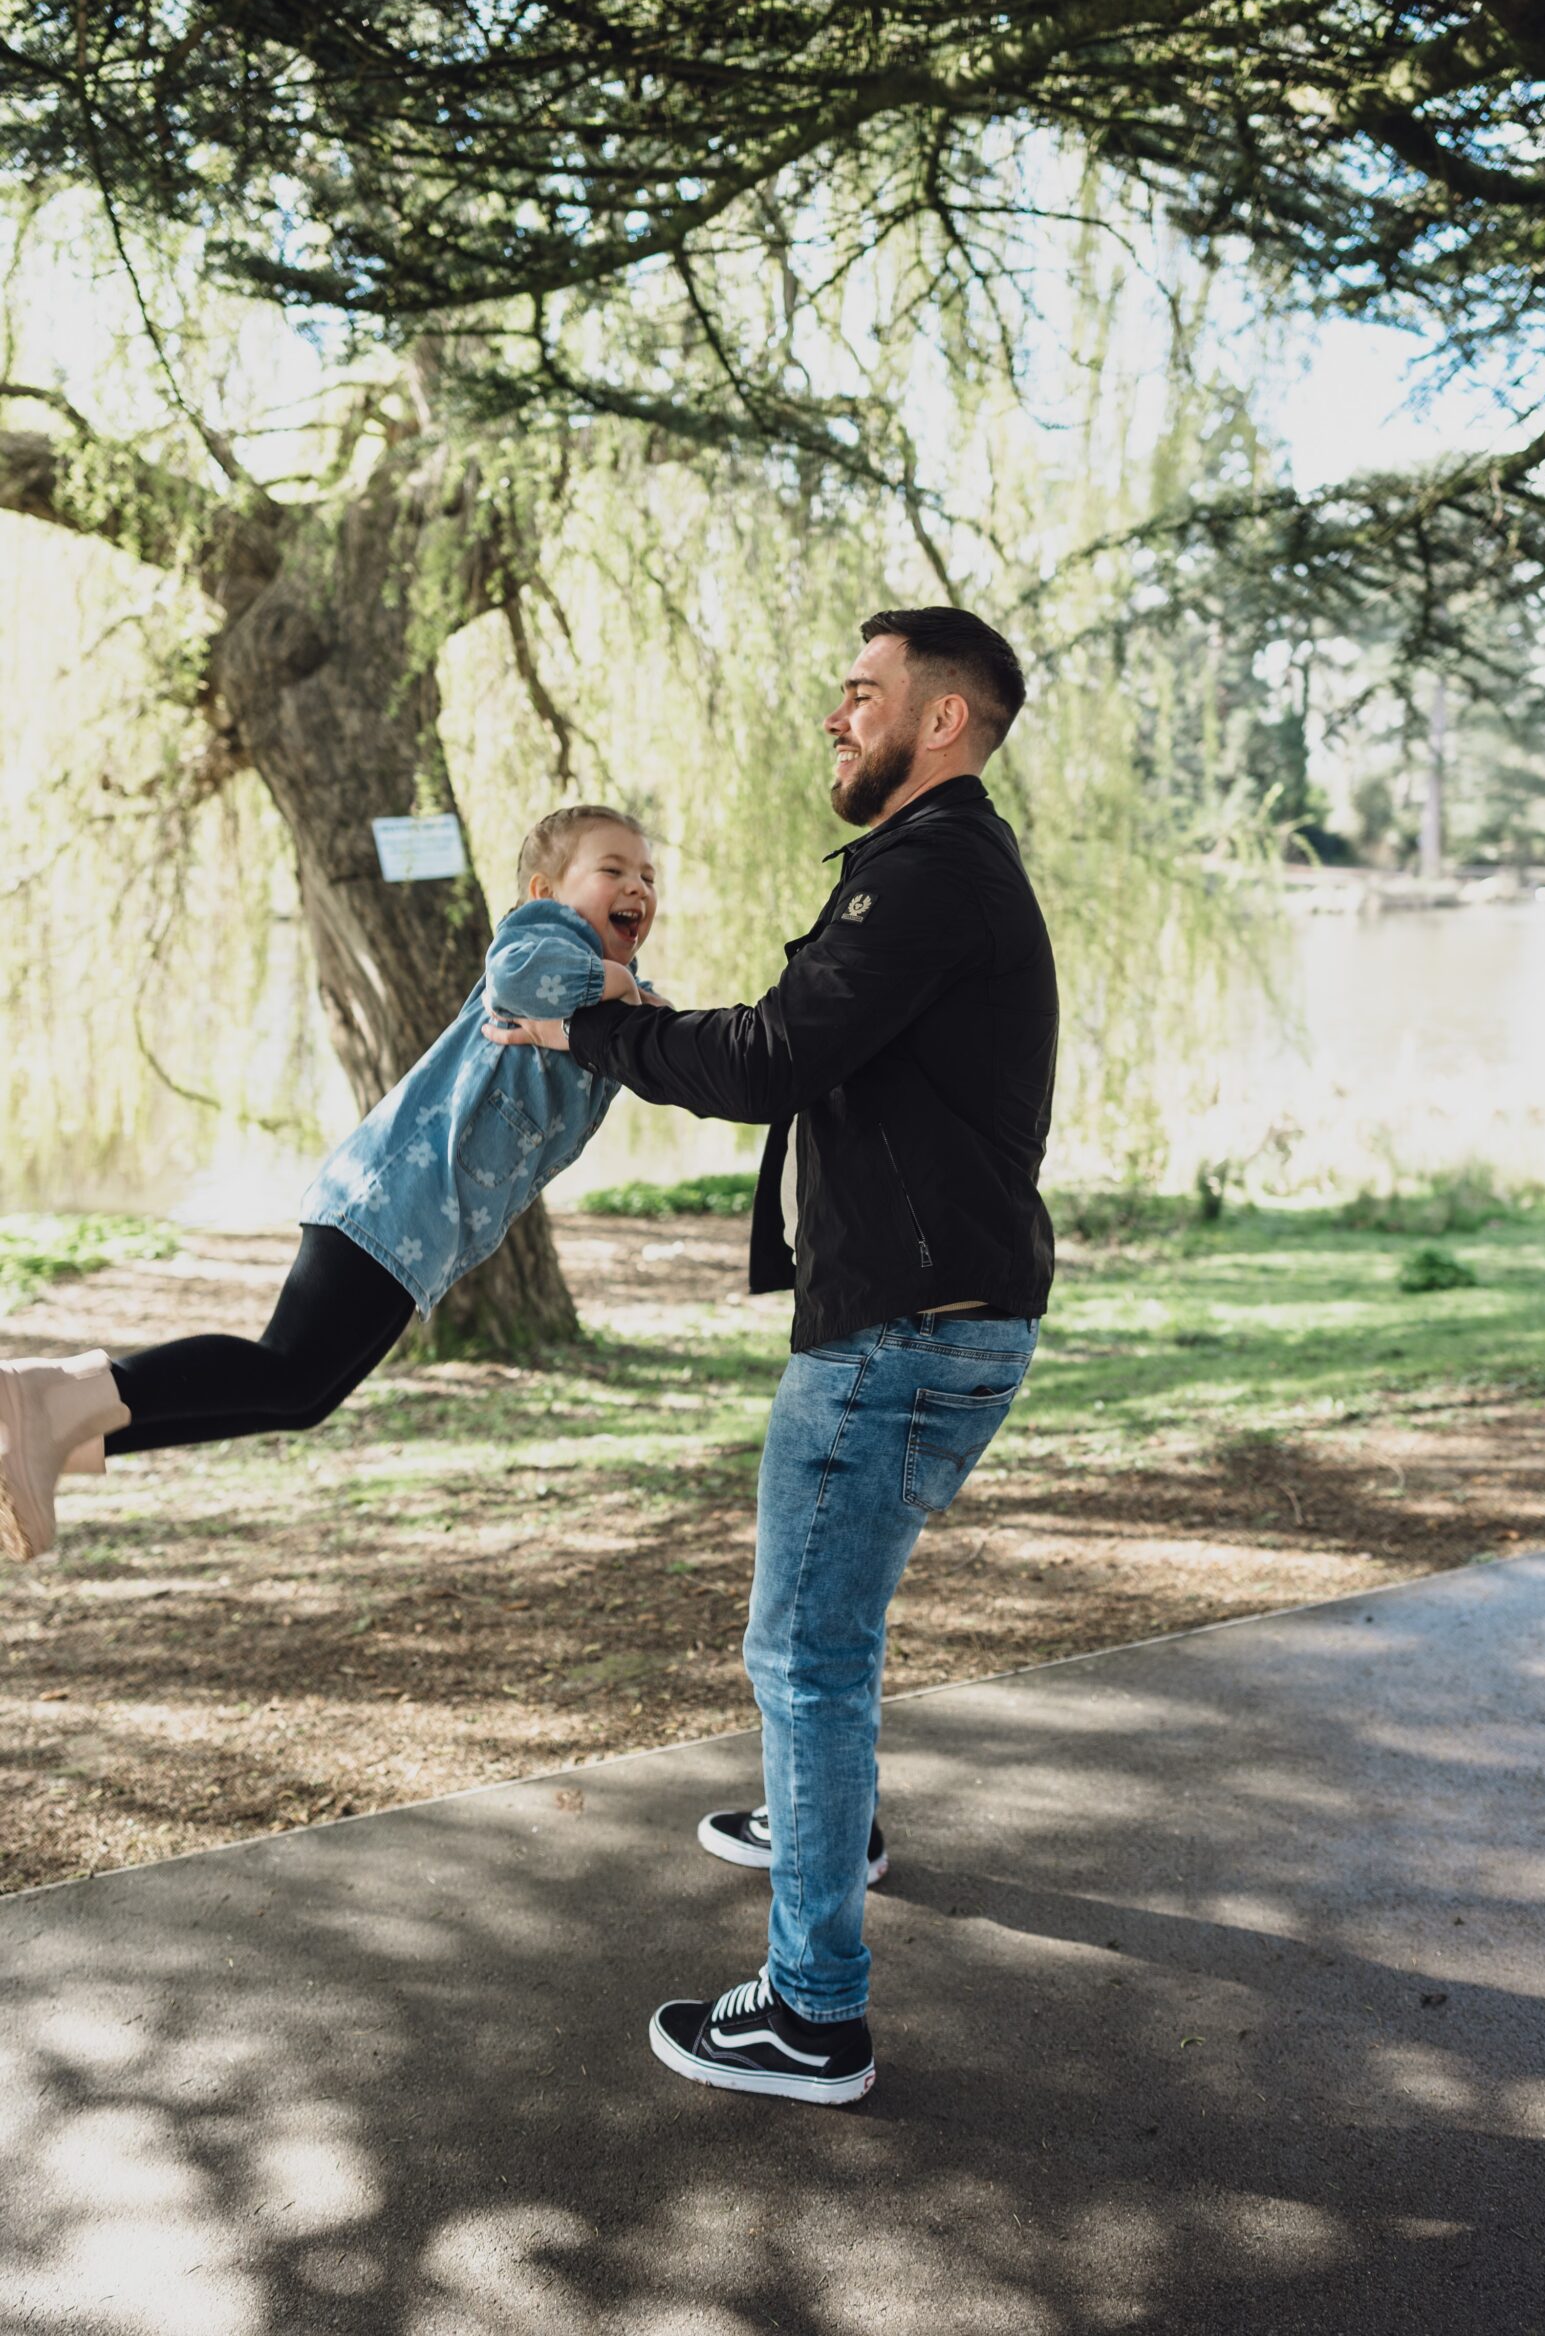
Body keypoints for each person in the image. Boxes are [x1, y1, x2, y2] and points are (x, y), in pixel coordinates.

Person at [485, 606, 1058, 2105]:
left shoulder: (926, 873)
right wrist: (646, 1021)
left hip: (896, 1341)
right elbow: (799, 1046)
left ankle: (811, 2012)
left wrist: (599, 1028)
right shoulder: (938, 867)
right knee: (831, 1639)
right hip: (939, 1320)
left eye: (862, 692)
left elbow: (770, 1059)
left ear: (941, 719)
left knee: (804, 1655)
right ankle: (830, 1831)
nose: (835, 714)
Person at [0, 806, 660, 1563]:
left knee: (302, 1394)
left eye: (648, 876)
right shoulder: (546, 940)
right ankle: (42, 1397)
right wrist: (618, 981)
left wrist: (647, 1007)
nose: (637, 887)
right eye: (612, 870)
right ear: (546, 890)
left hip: (417, 1226)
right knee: (287, 1366)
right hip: (392, 1198)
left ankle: (51, 1438)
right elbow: (515, 974)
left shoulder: (599, 987)